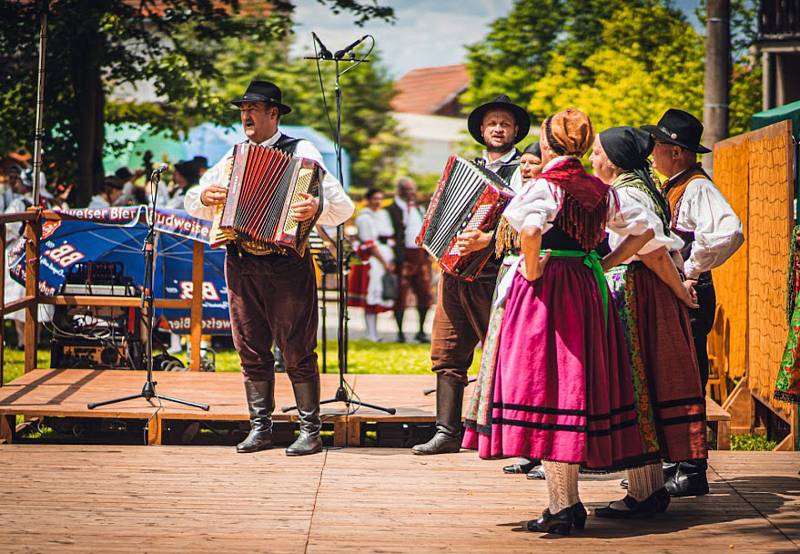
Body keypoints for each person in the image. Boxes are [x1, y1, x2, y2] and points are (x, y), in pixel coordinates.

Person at [486, 108, 660, 534]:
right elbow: (646, 228)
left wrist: (530, 269)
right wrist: (604, 261)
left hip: (550, 288)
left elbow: (529, 230)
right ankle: (563, 503)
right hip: (586, 284)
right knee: (576, 382)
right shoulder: (601, 189)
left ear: (547, 144)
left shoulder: (547, 185)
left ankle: (565, 505)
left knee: (549, 384)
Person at [185, 80, 354, 456]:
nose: (245, 115)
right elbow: (191, 200)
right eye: (243, 109)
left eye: (254, 108)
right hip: (242, 262)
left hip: (286, 265)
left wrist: (316, 208)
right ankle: (260, 428)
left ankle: (310, 431)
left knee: (296, 348)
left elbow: (344, 208)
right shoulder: (233, 156)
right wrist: (202, 195)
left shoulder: (303, 151)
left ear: (273, 114)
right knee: (250, 347)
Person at [590, 126, 708, 518]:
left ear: (614, 158)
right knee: (645, 386)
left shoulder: (628, 193)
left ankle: (646, 493)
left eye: (597, 153)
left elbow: (655, 251)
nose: (593, 160)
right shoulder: (639, 187)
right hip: (647, 291)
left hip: (640, 296)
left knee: (638, 385)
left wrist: (678, 291)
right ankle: (648, 488)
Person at [411, 94, 529, 456]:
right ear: (481, 129)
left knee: (505, 353)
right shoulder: (466, 168)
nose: (498, 128)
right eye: (492, 123)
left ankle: (512, 437)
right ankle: (447, 432)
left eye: (505, 124)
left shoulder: (524, 172)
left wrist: (487, 240)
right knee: (446, 351)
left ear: (515, 131)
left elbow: (528, 225)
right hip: (453, 273)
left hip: (495, 274)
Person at [642, 109, 744, 497]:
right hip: (681, 287)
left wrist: (693, 270)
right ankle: (677, 463)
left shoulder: (698, 187)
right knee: (674, 375)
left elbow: (728, 232)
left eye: (659, 147)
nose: (653, 154)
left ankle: (691, 468)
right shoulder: (676, 184)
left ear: (678, 152)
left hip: (691, 289)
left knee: (686, 376)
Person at [462, 141, 544, 478]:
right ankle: (523, 446)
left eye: (533, 163)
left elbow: (536, 236)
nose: (525, 169)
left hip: (535, 283)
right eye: (523, 162)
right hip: (511, 284)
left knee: (535, 369)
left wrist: (490, 240)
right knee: (512, 367)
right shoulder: (520, 195)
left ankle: (544, 450)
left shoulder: (548, 196)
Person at [386, 177, 432, 343]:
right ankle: (400, 333)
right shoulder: (391, 210)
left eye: (413, 189)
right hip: (402, 257)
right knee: (401, 295)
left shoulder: (419, 209)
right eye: (407, 190)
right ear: (399, 191)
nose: (411, 193)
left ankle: (421, 331)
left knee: (425, 294)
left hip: (420, 255)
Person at [348, 188, 395, 341]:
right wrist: (384, 261)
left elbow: (389, 236)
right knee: (371, 295)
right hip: (373, 260)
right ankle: (371, 333)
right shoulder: (364, 217)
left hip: (386, 255)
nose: (378, 201)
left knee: (381, 294)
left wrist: (390, 259)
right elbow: (370, 243)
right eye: (375, 198)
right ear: (368, 199)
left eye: (380, 198)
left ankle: (375, 332)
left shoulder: (383, 214)